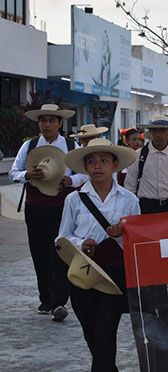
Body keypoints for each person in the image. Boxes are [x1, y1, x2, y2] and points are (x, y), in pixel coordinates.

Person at [57, 138, 139, 372]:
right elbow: (61, 237)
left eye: (103, 161)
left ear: (114, 165)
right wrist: (82, 243)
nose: (97, 166)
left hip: (113, 275)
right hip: (82, 272)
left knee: (105, 332)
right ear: (85, 167)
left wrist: (121, 236)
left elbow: (137, 242)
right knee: (91, 332)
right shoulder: (74, 200)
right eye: (91, 162)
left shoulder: (129, 199)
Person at [9, 103, 88, 321]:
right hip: (35, 207)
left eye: (51, 120)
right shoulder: (29, 146)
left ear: (60, 123)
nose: (46, 124)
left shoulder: (71, 146)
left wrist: (70, 180)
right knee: (39, 251)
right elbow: (13, 172)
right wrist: (28, 174)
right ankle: (45, 297)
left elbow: (85, 175)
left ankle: (58, 301)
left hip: (62, 207)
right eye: (43, 120)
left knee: (59, 250)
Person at [124, 115, 168, 214]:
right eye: (155, 131)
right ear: (150, 132)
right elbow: (130, 184)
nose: (158, 135)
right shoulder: (139, 155)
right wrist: (130, 209)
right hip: (146, 206)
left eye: (162, 131)